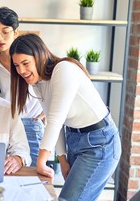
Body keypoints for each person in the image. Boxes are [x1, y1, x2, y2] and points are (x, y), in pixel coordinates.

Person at [9, 33, 121, 200]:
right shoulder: (38, 83)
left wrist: (41, 162)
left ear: (39, 56)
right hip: (75, 139)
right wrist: (62, 159)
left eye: (25, 63)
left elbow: (56, 120)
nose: (21, 71)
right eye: (17, 65)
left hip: (99, 143)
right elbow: (53, 120)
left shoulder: (63, 70)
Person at [0, 7, 44, 167]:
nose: (0, 37)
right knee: (8, 173)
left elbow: (52, 79)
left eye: (6, 32)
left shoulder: (29, 55)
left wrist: (48, 108)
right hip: (6, 125)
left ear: (16, 32)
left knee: (33, 176)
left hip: (30, 124)